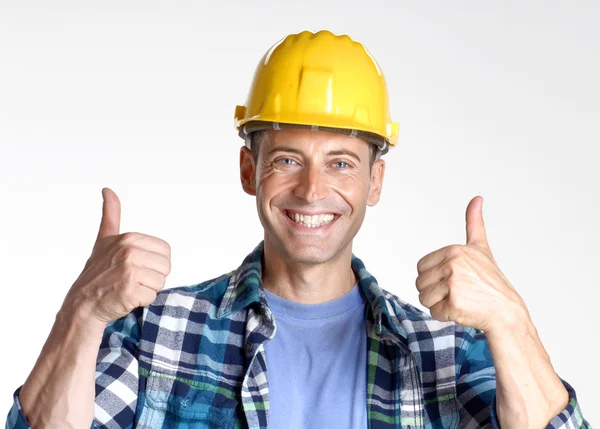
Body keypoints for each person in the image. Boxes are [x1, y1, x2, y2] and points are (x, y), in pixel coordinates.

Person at [5, 30, 590, 429]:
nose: (313, 190)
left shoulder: (444, 349)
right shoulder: (157, 332)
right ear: (248, 170)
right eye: (287, 159)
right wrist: (81, 313)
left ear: (374, 182)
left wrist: (511, 319)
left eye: (341, 162)